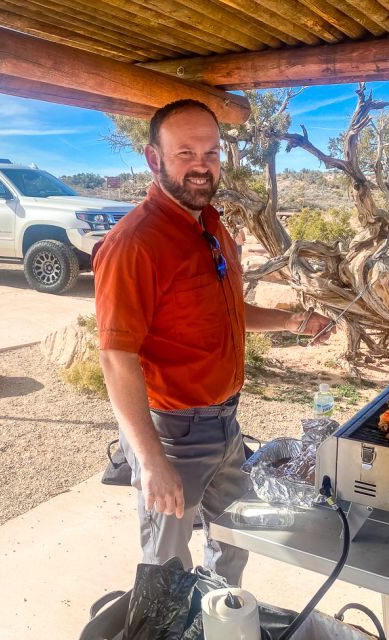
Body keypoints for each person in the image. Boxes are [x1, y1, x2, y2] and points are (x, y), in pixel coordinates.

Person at [93, 99, 333, 586]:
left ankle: (220, 620)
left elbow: (224, 314)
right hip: (174, 436)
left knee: (233, 542)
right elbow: (117, 359)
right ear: (153, 158)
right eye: (185, 152)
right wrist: (151, 460)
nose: (201, 164)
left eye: (211, 152)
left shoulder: (211, 227)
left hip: (226, 425)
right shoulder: (135, 244)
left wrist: (292, 321)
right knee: (166, 567)